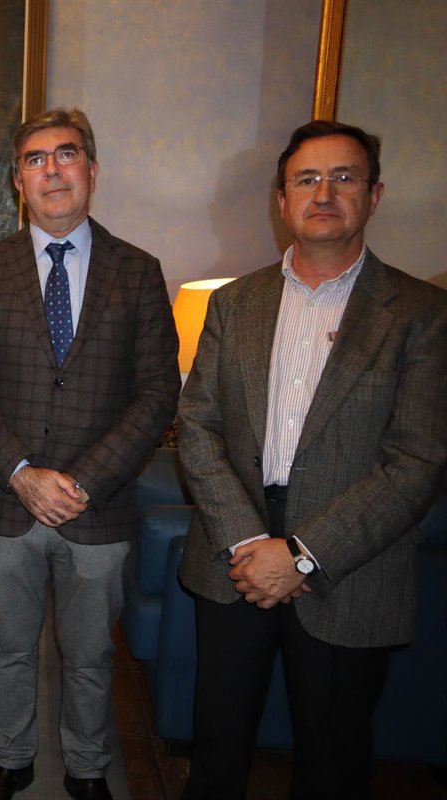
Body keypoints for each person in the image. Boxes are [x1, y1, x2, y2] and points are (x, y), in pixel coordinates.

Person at [178, 120, 447, 800]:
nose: (323, 192)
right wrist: (250, 542)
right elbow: (198, 424)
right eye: (306, 179)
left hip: (350, 565)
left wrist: (302, 554)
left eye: (343, 177)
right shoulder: (233, 303)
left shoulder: (423, 314)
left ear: (374, 195)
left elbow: (417, 461)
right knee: (216, 752)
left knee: (334, 760)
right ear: (282, 199)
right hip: (233, 556)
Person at [0, 108, 180, 800]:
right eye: (35, 159)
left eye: (66, 154)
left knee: (91, 653)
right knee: (9, 644)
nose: (52, 170)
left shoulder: (138, 272)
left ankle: (86, 768)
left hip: (95, 508)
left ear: (92, 171)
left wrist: (83, 479)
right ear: (18, 182)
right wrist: (22, 475)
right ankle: (11, 757)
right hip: (4, 500)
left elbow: (157, 393)